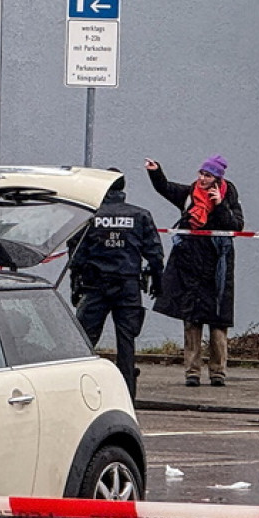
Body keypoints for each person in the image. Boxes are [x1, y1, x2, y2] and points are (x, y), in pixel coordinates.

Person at [145, 155, 245, 387]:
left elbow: (236, 226)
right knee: (192, 318)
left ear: (217, 178)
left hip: (218, 267)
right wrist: (156, 171)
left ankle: (218, 371)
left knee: (218, 320)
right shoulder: (189, 194)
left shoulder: (229, 196)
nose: (202, 178)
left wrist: (220, 205)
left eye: (207, 175)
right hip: (190, 264)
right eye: (201, 173)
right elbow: (165, 187)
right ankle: (192, 371)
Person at [68, 170, 164, 399]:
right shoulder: (140, 215)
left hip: (95, 287)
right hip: (128, 286)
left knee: (84, 341)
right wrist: (157, 283)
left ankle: (81, 392)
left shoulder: (90, 215)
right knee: (126, 343)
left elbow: (76, 254)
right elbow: (154, 255)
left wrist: (75, 285)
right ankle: (127, 396)